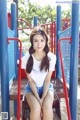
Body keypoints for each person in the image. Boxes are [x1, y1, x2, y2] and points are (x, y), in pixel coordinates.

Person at [22, 26, 56, 120]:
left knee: (47, 107)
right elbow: (31, 81)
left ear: (46, 42)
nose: (39, 44)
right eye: (35, 40)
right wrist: (38, 99)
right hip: (31, 89)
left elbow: (48, 79)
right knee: (36, 108)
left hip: (47, 87)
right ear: (32, 42)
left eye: (42, 40)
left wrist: (43, 98)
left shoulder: (51, 57)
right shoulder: (26, 58)